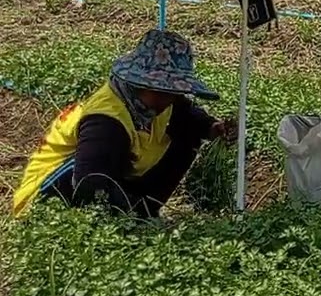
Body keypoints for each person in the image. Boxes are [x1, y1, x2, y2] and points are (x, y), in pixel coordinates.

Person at [12, 29, 234, 218]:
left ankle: (142, 213)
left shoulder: (161, 104)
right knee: (97, 182)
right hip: (48, 201)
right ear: (142, 83)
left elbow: (188, 116)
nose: (171, 99)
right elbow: (91, 187)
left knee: (188, 135)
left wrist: (213, 128)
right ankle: (129, 221)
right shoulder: (106, 120)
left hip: (108, 185)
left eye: (174, 91)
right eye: (165, 91)